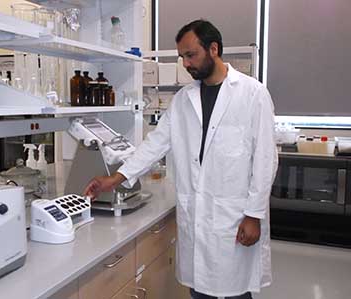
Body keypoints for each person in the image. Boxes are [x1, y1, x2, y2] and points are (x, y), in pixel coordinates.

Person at [84, 19, 278, 299]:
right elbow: (155, 145)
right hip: (196, 214)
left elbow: (265, 160)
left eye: (191, 55)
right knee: (199, 289)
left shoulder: (252, 94)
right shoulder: (183, 99)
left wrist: (254, 214)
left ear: (213, 49)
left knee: (235, 291)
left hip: (234, 215)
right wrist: (115, 179)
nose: (186, 64)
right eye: (182, 57)